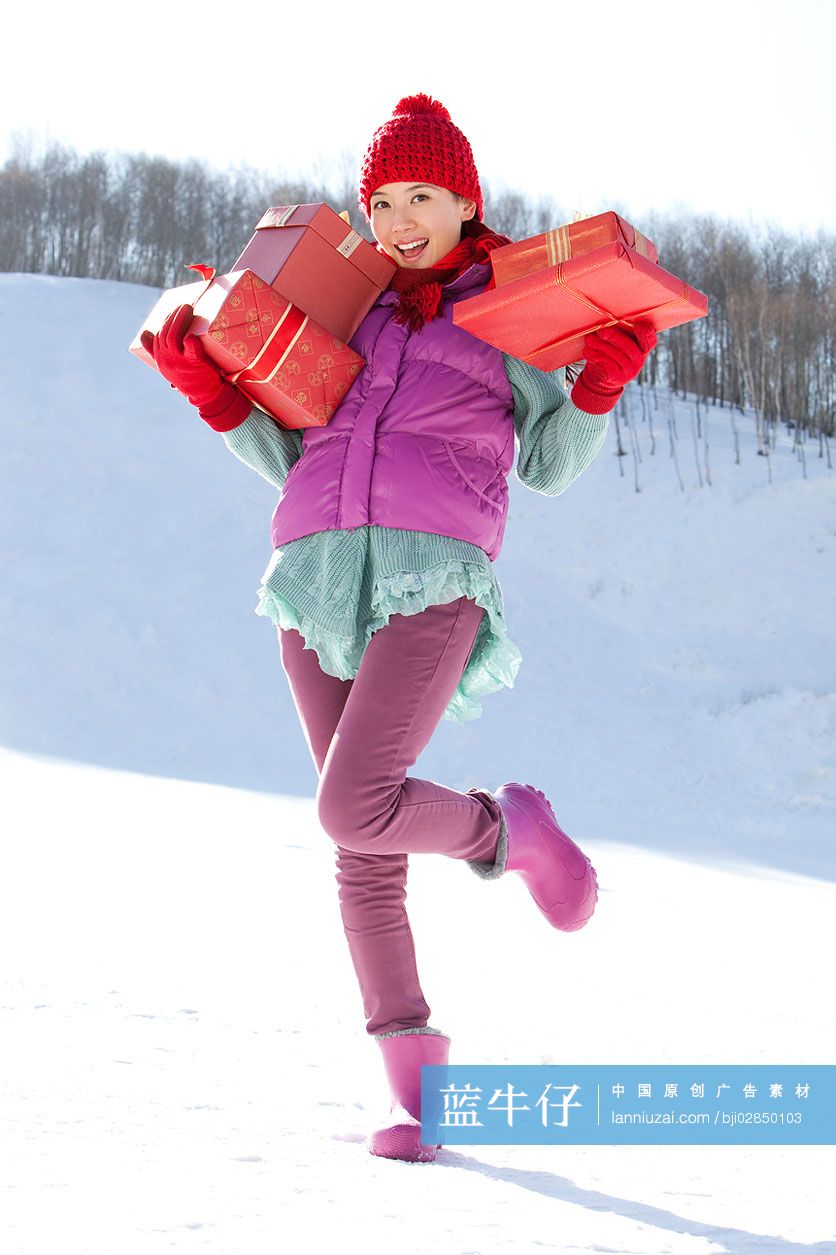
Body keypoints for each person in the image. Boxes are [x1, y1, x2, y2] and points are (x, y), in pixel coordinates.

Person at [141, 93, 657, 1165]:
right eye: (379, 199)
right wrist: (217, 396)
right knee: (358, 843)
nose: (398, 216)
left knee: (351, 803)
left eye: (420, 195)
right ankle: (415, 1094)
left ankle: (505, 831)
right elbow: (295, 458)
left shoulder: (508, 309)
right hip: (315, 574)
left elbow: (550, 467)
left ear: (465, 200)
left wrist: (599, 383)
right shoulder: (345, 309)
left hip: (432, 574)